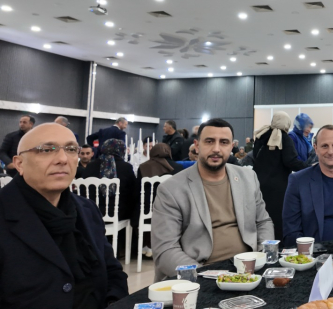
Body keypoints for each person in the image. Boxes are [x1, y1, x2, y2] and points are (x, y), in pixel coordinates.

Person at [0, 123, 128, 307]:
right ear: (19, 163)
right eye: (46, 150)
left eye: (71, 149)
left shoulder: (87, 209)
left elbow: (113, 272)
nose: (62, 159)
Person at [151, 118, 273, 280]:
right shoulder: (171, 189)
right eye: (209, 141)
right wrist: (203, 276)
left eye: (224, 142)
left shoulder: (248, 178)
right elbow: (165, 249)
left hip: (249, 270)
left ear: (231, 147)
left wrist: (263, 258)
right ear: (197, 145)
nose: (216, 149)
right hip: (200, 273)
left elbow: (263, 222)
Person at [282, 125, 333, 246]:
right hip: (315, 252)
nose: (330, 151)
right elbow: (291, 230)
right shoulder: (298, 181)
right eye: (325, 146)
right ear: (316, 148)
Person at [252, 111, 306, 240]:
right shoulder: (284, 138)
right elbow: (290, 161)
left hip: (258, 183)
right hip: (278, 187)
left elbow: (254, 156)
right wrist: (309, 167)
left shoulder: (261, 135)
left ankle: (261, 242)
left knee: (261, 216)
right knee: (276, 218)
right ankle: (277, 244)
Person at [81, 139, 137, 222]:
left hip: (92, 212)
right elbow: (134, 192)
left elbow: (83, 190)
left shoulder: (90, 166)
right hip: (118, 213)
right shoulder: (126, 167)